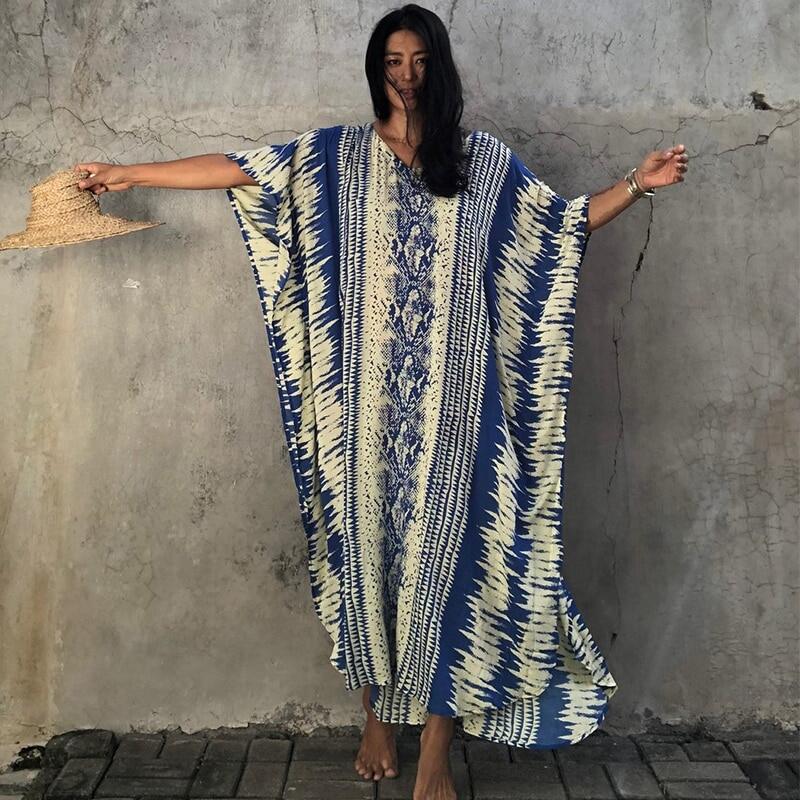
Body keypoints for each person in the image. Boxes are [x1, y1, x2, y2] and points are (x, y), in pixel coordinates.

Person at [73, 5, 688, 800]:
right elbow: (241, 168)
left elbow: (558, 229)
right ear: (376, 68)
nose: (406, 75)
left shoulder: (480, 163)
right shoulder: (335, 157)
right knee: (367, 560)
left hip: (460, 413)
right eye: (393, 60)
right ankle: (375, 716)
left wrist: (637, 184)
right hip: (361, 414)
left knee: (453, 567)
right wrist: (131, 174)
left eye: (420, 60)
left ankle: (435, 744)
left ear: (439, 67)